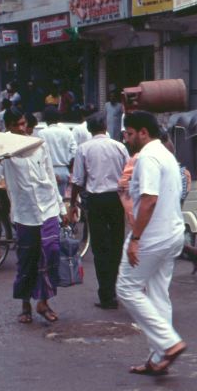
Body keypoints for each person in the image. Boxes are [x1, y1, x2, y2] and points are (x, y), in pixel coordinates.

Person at [117, 111, 188, 375]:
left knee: (126, 288)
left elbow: (149, 199)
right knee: (157, 293)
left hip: (153, 236)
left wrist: (135, 238)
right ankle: (159, 357)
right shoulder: (166, 154)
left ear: (143, 132)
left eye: (129, 133)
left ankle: (168, 344)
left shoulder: (147, 157)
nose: (126, 138)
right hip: (171, 233)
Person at [0, 108, 64, 324]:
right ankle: (25, 304)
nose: (21, 129)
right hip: (24, 213)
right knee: (28, 259)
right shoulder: (2, 148)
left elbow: (49, 176)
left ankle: (43, 302)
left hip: (49, 208)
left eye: (23, 124)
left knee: (51, 252)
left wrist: (62, 207)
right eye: (16, 125)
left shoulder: (38, 144)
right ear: (7, 126)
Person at [69, 115, 129, 310]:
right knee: (116, 244)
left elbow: (77, 180)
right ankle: (113, 289)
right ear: (104, 127)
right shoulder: (119, 147)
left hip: (96, 201)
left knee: (100, 248)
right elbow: (129, 173)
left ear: (89, 130)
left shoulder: (84, 149)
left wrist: (72, 204)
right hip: (117, 200)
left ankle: (106, 293)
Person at [37, 106, 76, 198]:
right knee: (61, 201)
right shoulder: (67, 133)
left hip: (47, 170)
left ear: (45, 119)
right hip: (63, 171)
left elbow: (38, 153)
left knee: (48, 201)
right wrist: (69, 164)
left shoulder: (42, 133)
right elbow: (74, 152)